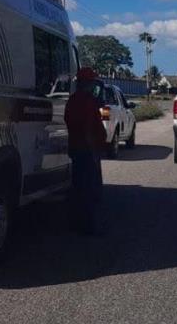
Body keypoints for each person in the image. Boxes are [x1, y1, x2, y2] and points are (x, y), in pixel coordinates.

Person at [64, 67, 107, 235]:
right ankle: (87, 226)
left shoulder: (73, 100)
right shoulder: (88, 101)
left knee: (79, 187)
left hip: (75, 148)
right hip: (87, 150)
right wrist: (94, 153)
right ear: (87, 83)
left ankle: (77, 222)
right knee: (89, 190)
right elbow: (89, 128)